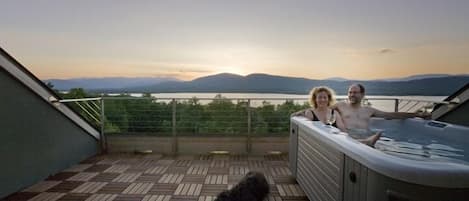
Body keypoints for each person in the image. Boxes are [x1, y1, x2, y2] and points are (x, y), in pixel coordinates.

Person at [332, 83, 431, 146]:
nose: (351, 95)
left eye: (355, 92)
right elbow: (322, 111)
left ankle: (367, 142)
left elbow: (391, 115)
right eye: (350, 92)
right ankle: (366, 142)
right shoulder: (340, 106)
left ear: (362, 94)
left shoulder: (369, 110)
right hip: (348, 135)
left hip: (365, 135)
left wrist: (417, 115)